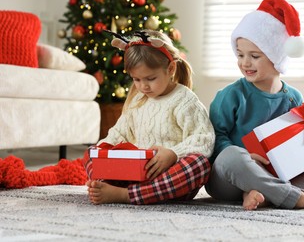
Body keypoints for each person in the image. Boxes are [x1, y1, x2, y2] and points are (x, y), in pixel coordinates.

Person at [205, 0, 304, 211]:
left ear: (277, 56)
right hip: (232, 178)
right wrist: (246, 156)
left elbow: (301, 144)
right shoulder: (230, 95)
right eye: (240, 54)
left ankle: (265, 195)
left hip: (275, 174)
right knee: (230, 157)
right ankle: (300, 199)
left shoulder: (293, 97)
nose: (245, 62)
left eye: (254, 56)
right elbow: (214, 139)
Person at [84, 29, 215, 205]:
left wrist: (173, 154)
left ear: (170, 69)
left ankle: (126, 195)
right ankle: (107, 186)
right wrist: (102, 152)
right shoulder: (137, 100)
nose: (143, 86)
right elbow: (119, 134)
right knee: (92, 152)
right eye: (136, 80)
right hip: (135, 174)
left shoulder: (185, 100)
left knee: (199, 164)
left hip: (170, 179)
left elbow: (204, 139)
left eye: (150, 78)